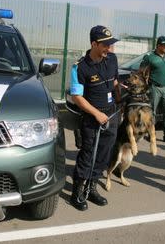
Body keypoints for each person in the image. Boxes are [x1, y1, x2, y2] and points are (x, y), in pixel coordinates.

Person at [69, 25, 121, 211]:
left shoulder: (112, 59)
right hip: (93, 117)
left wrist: (123, 91)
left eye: (111, 44)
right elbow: (77, 97)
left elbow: (114, 82)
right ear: (94, 44)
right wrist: (97, 114)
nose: (110, 48)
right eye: (106, 45)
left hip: (111, 114)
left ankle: (92, 188)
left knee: (104, 154)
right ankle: (77, 191)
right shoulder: (80, 67)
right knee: (88, 154)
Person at [139, 36, 165, 145]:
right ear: (158, 46)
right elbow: (141, 71)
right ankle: (149, 133)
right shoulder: (150, 56)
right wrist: (146, 84)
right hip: (154, 87)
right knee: (152, 112)